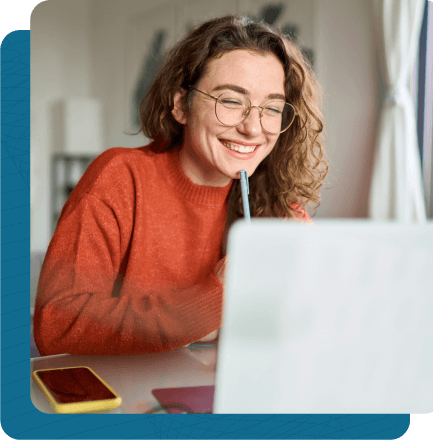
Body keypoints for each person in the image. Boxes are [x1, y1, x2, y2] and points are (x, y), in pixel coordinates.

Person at [34, 14, 328, 356]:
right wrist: (214, 298)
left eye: (272, 108)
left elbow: (305, 327)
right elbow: (57, 326)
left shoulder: (277, 201)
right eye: (231, 101)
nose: (253, 128)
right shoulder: (119, 178)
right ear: (180, 105)